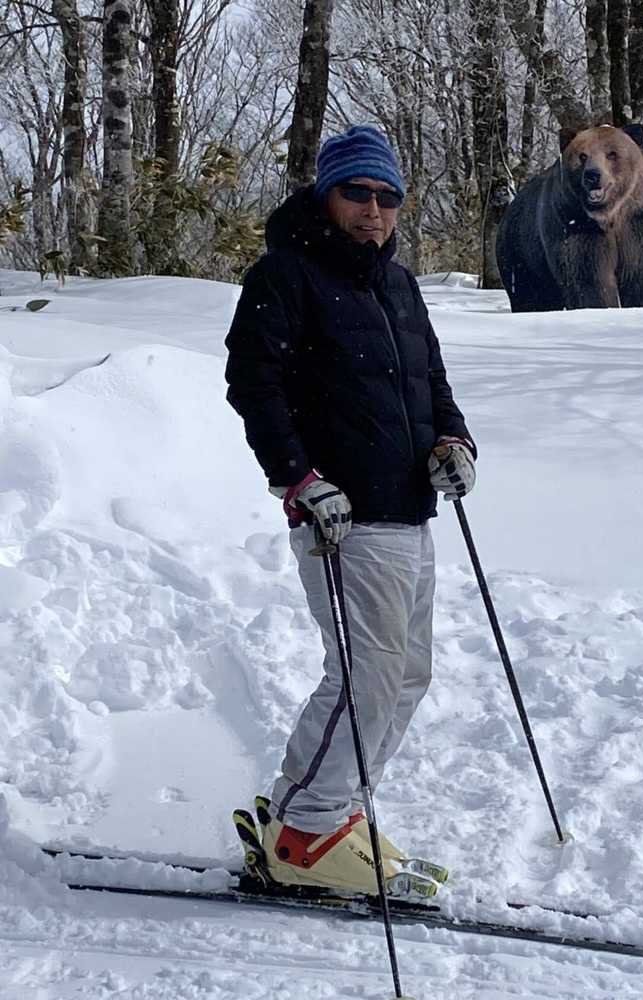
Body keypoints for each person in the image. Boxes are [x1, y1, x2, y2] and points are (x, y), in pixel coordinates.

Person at [225, 124, 476, 896]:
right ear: (325, 196)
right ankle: (303, 834)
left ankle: (329, 810)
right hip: (341, 517)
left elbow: (430, 381)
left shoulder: (396, 286)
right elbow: (253, 384)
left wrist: (452, 439)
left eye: (387, 197)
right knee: (365, 675)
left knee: (405, 675)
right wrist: (297, 479)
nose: (373, 210)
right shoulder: (286, 275)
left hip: (408, 509)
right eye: (357, 193)